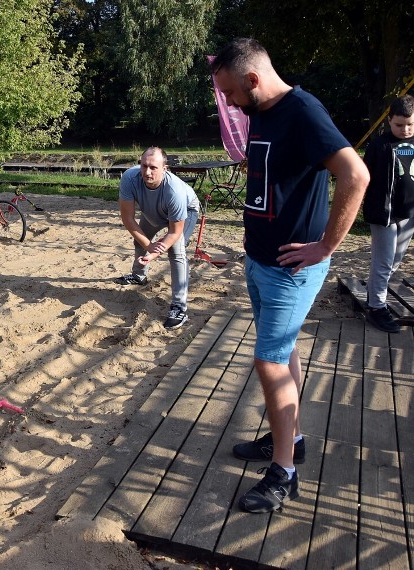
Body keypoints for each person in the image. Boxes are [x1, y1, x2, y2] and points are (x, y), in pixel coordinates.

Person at [210, 39, 369, 513]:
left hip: (289, 269)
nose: (232, 104)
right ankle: (292, 439)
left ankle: (284, 473)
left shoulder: (303, 111)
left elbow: (355, 175)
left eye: (233, 93)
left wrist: (326, 246)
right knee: (283, 351)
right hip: (259, 259)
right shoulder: (262, 110)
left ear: (254, 80)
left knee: (269, 362)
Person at [115, 147, 200, 329]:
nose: (147, 172)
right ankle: (139, 275)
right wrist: (148, 245)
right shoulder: (129, 178)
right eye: (144, 166)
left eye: (153, 167)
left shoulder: (174, 190)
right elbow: (127, 218)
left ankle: (179, 307)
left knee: (176, 253)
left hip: (185, 211)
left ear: (165, 168)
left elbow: (174, 232)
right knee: (139, 238)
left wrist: (153, 253)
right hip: (153, 211)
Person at [362, 94, 414, 333]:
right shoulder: (379, 145)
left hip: (409, 212)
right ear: (389, 121)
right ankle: (376, 307)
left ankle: (374, 293)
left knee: (394, 260)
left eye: (410, 124)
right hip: (384, 214)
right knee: (383, 262)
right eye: (399, 125)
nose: (405, 129)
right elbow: (363, 177)